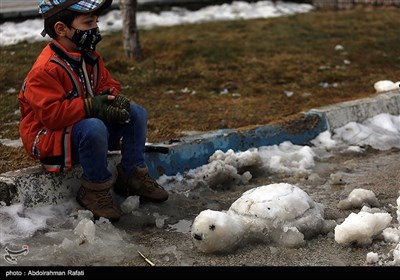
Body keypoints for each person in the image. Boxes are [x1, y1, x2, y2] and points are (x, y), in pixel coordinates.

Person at [18, 0, 169, 222]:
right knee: (94, 126)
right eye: (88, 22)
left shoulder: (90, 57)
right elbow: (51, 116)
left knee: (137, 113)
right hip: (49, 139)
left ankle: (131, 174)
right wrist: (91, 106)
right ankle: (94, 189)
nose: (96, 28)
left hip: (84, 131)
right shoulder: (45, 70)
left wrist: (112, 98)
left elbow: (107, 85)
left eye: (96, 21)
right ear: (62, 29)